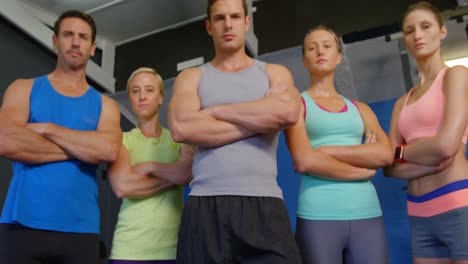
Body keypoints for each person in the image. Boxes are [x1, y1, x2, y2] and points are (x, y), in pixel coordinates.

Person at [167, 0, 302, 263]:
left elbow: (287, 114)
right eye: (219, 18)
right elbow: (182, 127)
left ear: (247, 22)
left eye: (235, 17)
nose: (228, 24)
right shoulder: (191, 77)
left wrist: (215, 111)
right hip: (205, 207)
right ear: (209, 26)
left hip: (264, 204)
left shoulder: (274, 73)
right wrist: (261, 118)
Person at [0, 10, 122, 264]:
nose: (75, 42)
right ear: (55, 41)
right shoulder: (23, 88)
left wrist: (47, 129)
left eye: (83, 37)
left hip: (80, 230)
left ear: (92, 48)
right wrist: (83, 147)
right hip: (21, 224)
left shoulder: (106, 106)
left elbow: (109, 150)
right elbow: (6, 139)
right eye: (68, 35)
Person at [285, 25, 393, 264]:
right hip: (318, 215)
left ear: (339, 56)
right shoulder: (296, 105)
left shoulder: (361, 110)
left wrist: (326, 151)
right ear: (304, 60)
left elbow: (385, 154)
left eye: (326, 46)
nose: (320, 52)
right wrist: (361, 170)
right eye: (312, 48)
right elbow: (304, 160)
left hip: (368, 213)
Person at [384, 2, 468, 263]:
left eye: (425, 26)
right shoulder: (402, 102)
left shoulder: (456, 75)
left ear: (442, 31)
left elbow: (445, 146)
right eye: (409, 31)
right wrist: (431, 164)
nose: (417, 35)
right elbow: (388, 166)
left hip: (458, 204)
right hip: (418, 213)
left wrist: (401, 154)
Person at [107, 67, 193, 264]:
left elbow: (187, 173)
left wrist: (148, 167)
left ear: (161, 97)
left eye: (149, 90)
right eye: (135, 91)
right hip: (129, 250)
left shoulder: (179, 138)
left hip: (172, 251)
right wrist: (173, 176)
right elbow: (122, 187)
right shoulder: (122, 139)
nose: (142, 97)